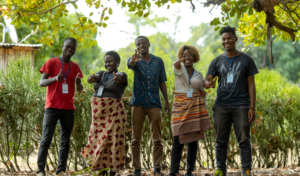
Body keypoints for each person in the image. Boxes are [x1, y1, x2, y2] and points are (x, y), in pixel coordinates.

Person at [203, 26, 258, 176]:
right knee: (221, 141)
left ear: (235, 39)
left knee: (244, 140)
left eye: (229, 38)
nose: (226, 41)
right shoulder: (216, 61)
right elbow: (207, 79)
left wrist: (252, 108)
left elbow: (251, 84)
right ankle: (220, 170)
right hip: (221, 105)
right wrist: (207, 83)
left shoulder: (247, 59)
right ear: (222, 41)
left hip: (241, 105)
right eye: (224, 39)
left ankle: (246, 170)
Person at [37, 37, 84, 176]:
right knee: (46, 139)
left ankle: (61, 170)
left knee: (65, 141)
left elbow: (80, 89)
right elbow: (42, 82)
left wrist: (79, 83)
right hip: (52, 107)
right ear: (63, 46)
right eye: (68, 47)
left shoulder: (75, 67)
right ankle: (40, 170)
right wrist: (55, 79)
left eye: (73, 48)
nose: (70, 50)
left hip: (68, 109)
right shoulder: (52, 62)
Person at [128, 36, 170, 176]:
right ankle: (137, 169)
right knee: (135, 139)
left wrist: (167, 101)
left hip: (154, 104)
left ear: (149, 44)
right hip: (138, 104)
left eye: (143, 43)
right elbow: (130, 64)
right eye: (138, 44)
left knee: (157, 138)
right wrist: (132, 61)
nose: (141, 46)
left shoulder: (158, 61)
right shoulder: (135, 60)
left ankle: (157, 167)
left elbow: (162, 82)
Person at [81, 51, 128, 176]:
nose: (108, 64)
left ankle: (112, 172)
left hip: (114, 114)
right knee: (96, 140)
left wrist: (119, 78)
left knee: (113, 140)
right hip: (98, 116)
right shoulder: (101, 74)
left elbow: (122, 78)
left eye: (111, 61)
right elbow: (95, 77)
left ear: (117, 62)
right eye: (106, 61)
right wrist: (92, 78)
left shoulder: (121, 74)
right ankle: (101, 171)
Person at [170, 45, 211, 176]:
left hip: (194, 107)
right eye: (184, 55)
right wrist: (178, 62)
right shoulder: (179, 68)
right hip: (180, 106)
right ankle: (173, 172)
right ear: (181, 57)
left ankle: (189, 171)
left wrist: (208, 85)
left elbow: (202, 86)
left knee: (193, 141)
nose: (187, 58)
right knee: (177, 139)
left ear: (194, 57)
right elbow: (176, 66)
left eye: (190, 55)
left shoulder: (198, 74)